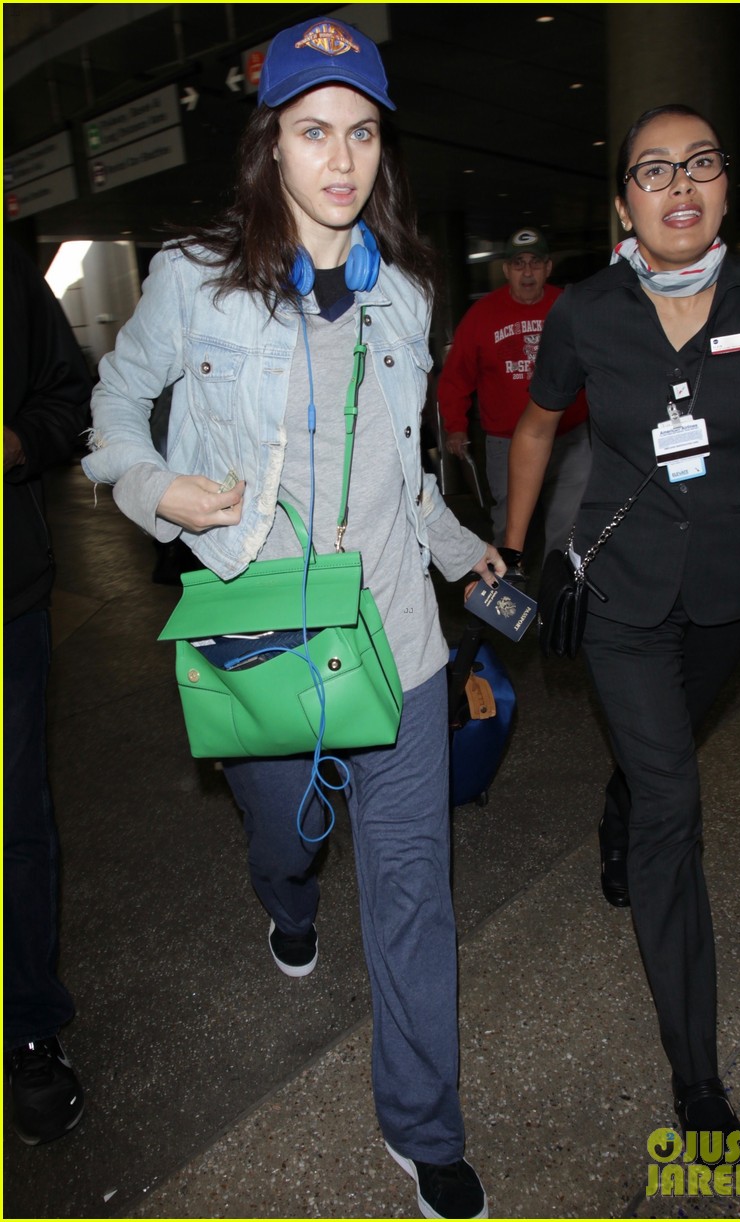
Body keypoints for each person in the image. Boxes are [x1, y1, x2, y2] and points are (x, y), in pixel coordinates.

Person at [81, 16, 501, 1219]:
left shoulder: (407, 292)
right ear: (272, 145)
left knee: (417, 892)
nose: (341, 159)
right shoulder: (195, 282)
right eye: (315, 131)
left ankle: (422, 1128)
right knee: (288, 837)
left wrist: (471, 557)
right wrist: (157, 486)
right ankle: (286, 896)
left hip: (399, 648)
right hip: (263, 639)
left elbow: (406, 477)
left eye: (362, 132)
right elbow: (112, 406)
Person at [505, 104, 740, 1149]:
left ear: (726, 186)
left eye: (701, 165)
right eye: (653, 171)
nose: (680, 184)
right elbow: (540, 424)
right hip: (621, 592)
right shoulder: (587, 311)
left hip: (732, 590)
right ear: (625, 204)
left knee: (658, 755)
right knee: (676, 803)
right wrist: (513, 545)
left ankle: (621, 795)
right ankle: (697, 1073)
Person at [4, 238, 92, 1144]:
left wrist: (18, 439)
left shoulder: (10, 282)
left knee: (12, 824)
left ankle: (29, 1030)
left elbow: (71, 399)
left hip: (6, 604)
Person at [437, 226, 590, 552]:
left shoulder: (570, 307)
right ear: (506, 270)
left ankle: (558, 597)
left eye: (535, 263)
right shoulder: (482, 316)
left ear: (548, 268)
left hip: (569, 439)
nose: (527, 272)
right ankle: (508, 596)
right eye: (518, 264)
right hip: (507, 443)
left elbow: (600, 367)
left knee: (569, 529)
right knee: (509, 528)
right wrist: (455, 426)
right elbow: (455, 377)